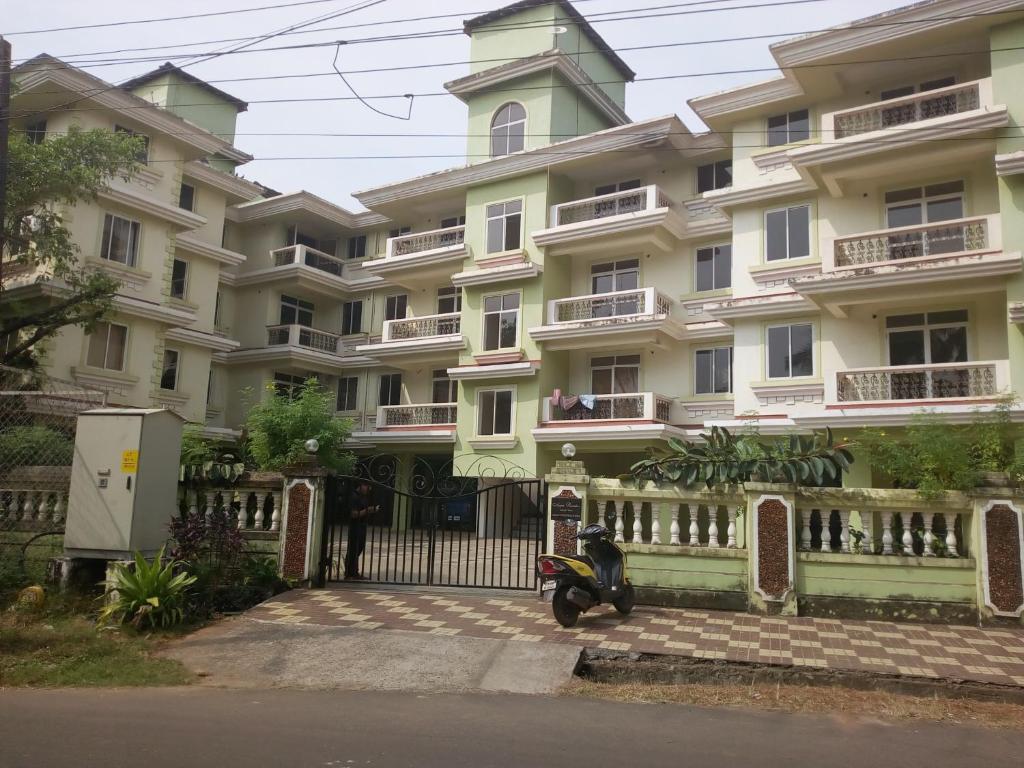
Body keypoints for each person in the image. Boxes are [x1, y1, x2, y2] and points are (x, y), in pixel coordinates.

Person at [345, 480, 376, 580]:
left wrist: (370, 511)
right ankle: (350, 573)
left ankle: (354, 572)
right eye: (367, 486)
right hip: (355, 526)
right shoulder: (354, 496)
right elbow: (353, 514)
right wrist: (367, 510)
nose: (368, 489)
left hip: (362, 525)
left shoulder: (363, 497)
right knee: (353, 548)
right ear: (361, 485)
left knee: (359, 548)